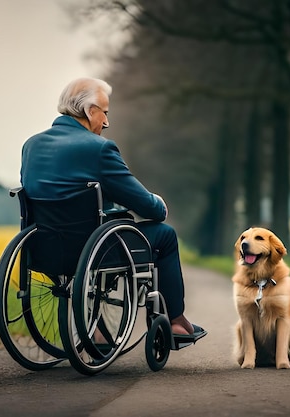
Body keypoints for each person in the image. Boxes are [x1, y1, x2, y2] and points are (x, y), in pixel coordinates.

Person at [20, 77, 205, 339]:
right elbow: (145, 206)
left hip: (42, 249)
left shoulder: (31, 146)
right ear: (89, 111)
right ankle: (176, 321)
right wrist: (158, 203)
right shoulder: (99, 149)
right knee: (164, 235)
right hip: (94, 250)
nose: (106, 122)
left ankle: (95, 330)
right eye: (104, 113)